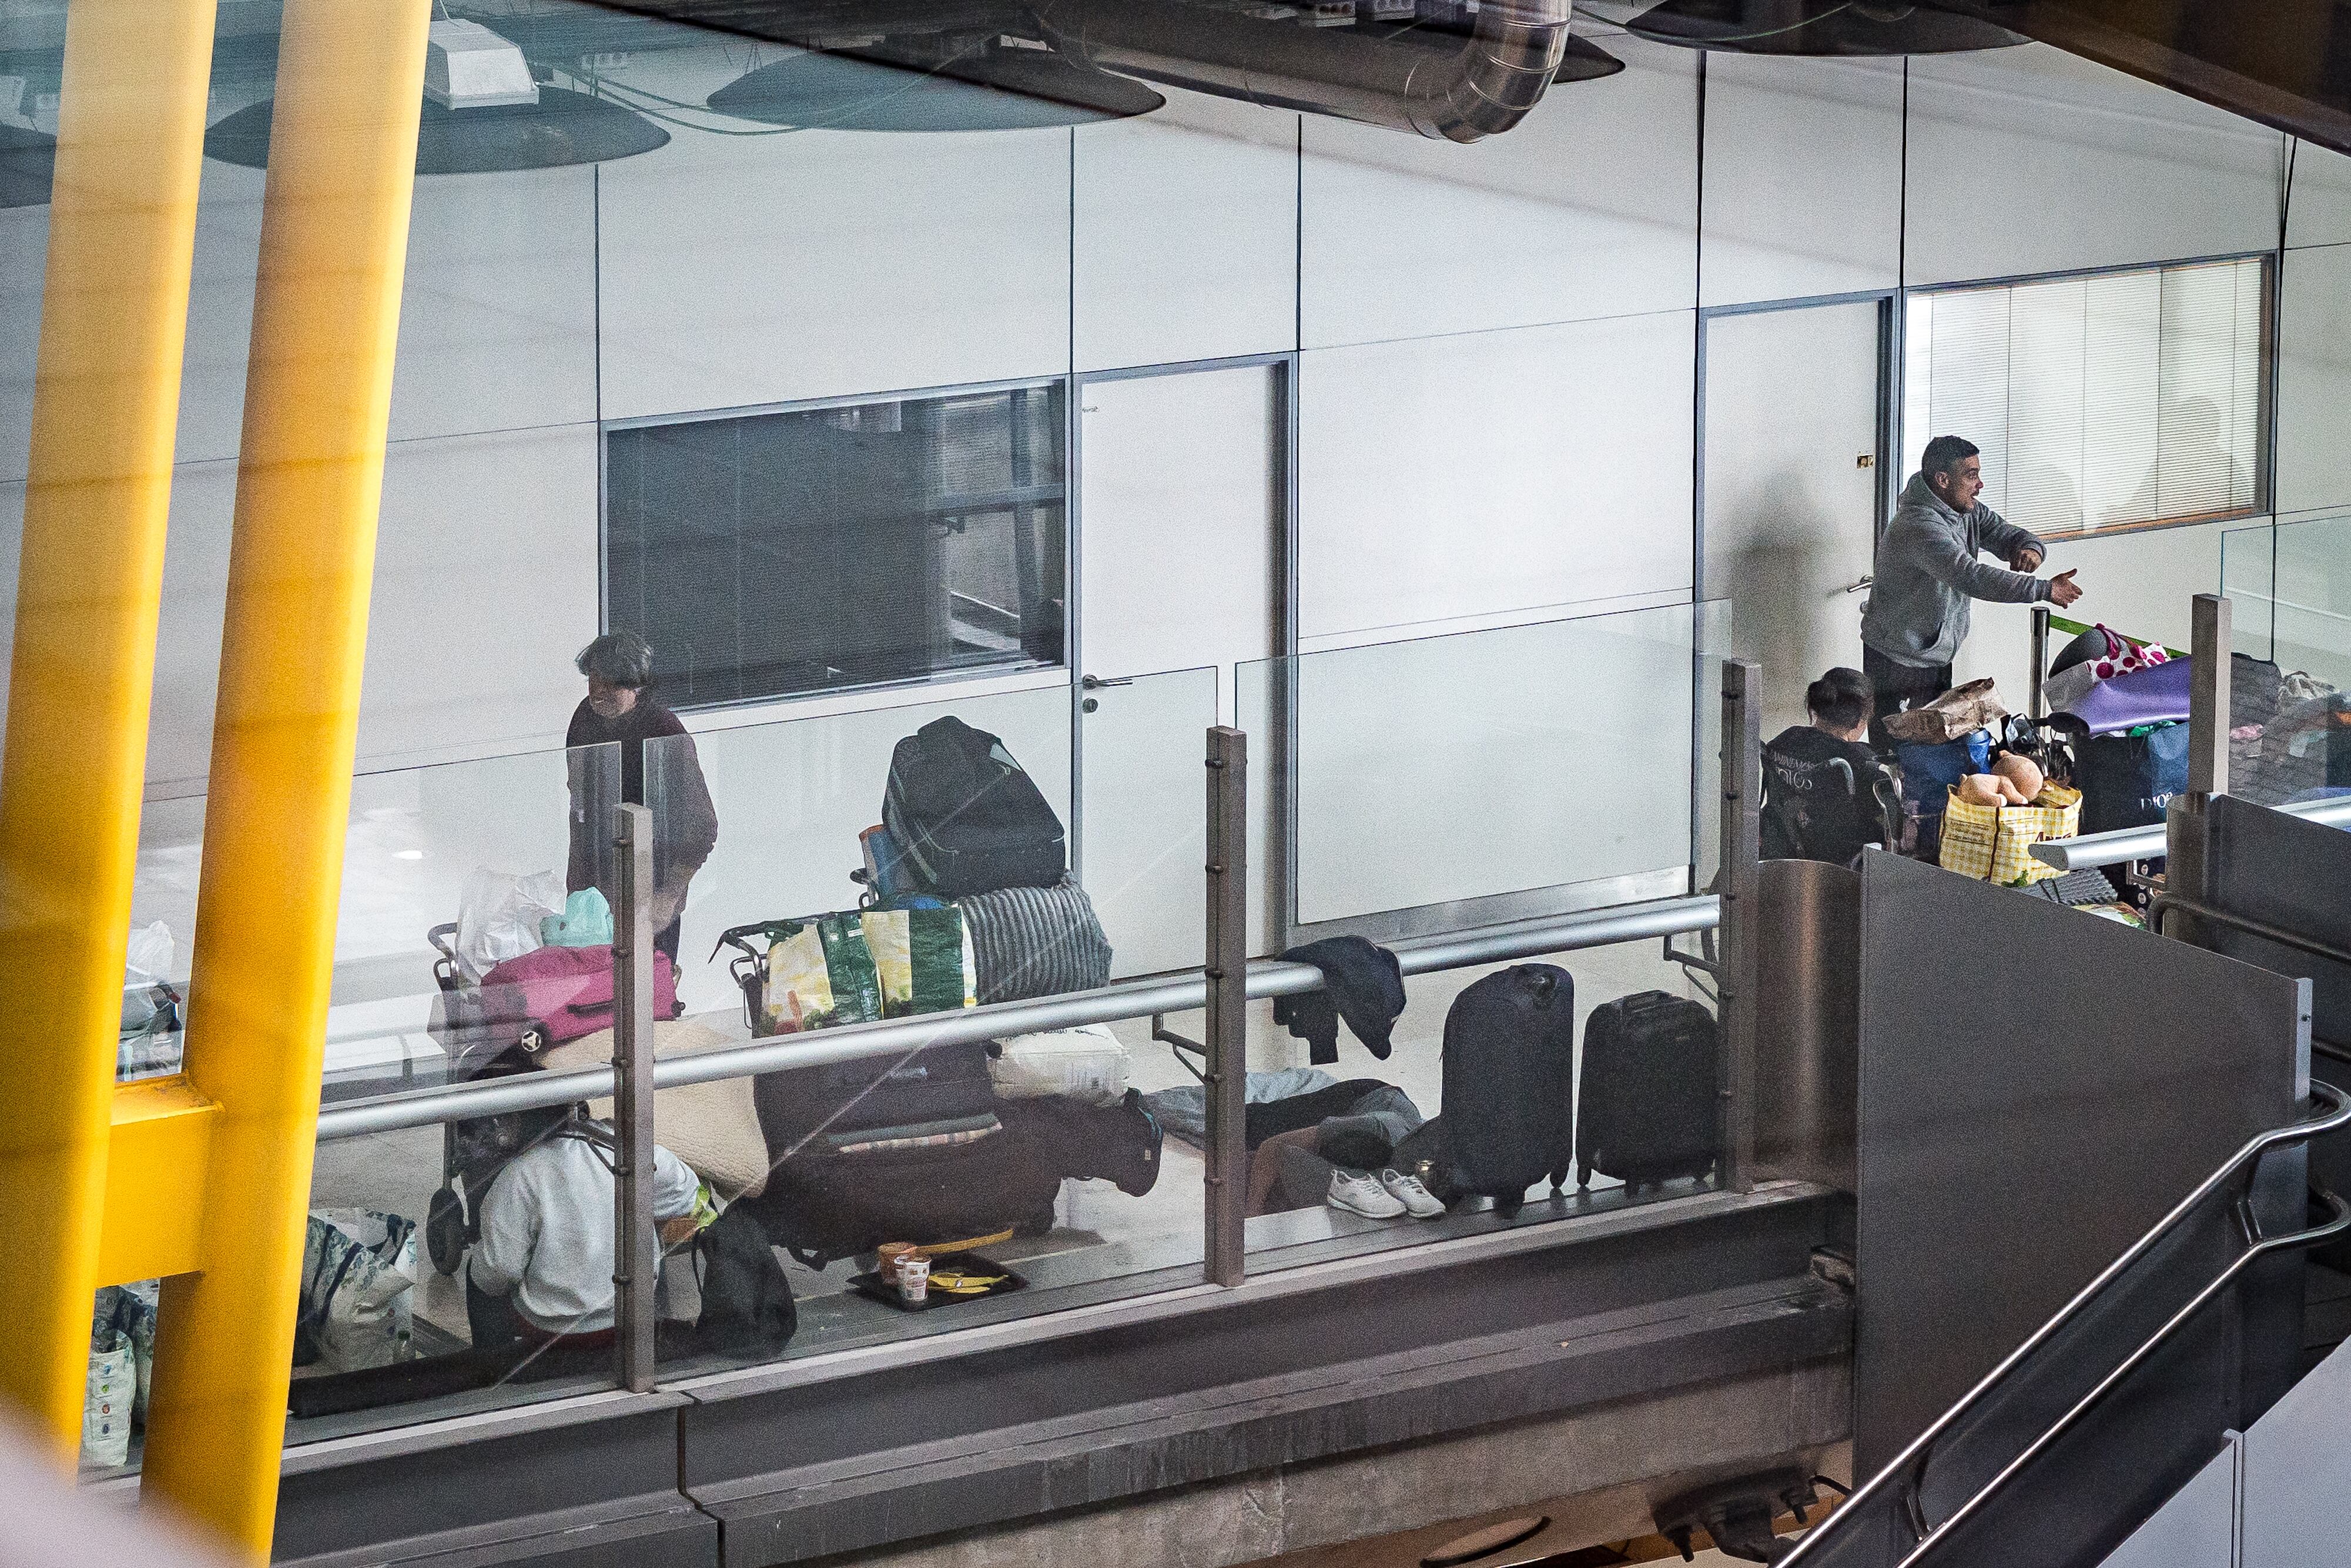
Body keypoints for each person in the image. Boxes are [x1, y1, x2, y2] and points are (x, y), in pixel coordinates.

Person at [1860, 435, 2084, 746]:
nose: (1979, 485)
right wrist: (2044, 589)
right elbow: (1970, 575)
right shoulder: (1919, 525)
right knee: (1898, 756)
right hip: (1898, 660)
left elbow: (2005, 533)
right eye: (1971, 475)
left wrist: (2028, 549)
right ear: (1942, 480)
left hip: (1933, 651)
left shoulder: (1966, 510)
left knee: (1935, 748)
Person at [464, 1109, 706, 1349]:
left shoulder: (519, 1175)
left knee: (477, 1273)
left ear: (517, 1121)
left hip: (552, 1330)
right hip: (632, 1315)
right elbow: (689, 1195)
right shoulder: (628, 1150)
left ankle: (492, 1369)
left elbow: (499, 1270)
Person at [565, 632, 718, 963]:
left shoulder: (666, 732)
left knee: (652, 996)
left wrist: (667, 897)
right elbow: (579, 807)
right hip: (598, 890)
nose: (599, 694)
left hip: (653, 886)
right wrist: (576, 890)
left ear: (637, 686)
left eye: (612, 685)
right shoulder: (584, 719)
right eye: (594, 681)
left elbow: (703, 827)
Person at [1761, 668, 1901, 867]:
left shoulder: (1784, 739)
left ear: (1816, 705)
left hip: (1781, 853)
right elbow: (1887, 824)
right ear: (1861, 719)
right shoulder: (1860, 762)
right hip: (1838, 868)